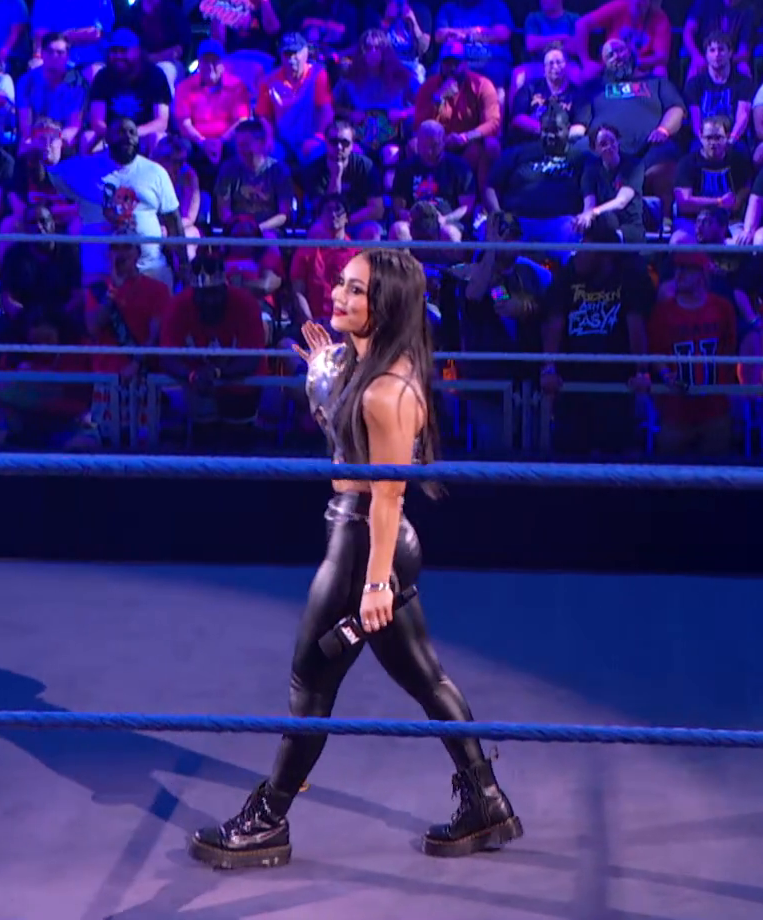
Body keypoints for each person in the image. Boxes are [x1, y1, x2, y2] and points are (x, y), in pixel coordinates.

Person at [191, 248, 522, 870]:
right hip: (367, 537)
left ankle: (267, 821)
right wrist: (324, 377)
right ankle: (487, 801)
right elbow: (348, 441)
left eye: (355, 291)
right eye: (340, 284)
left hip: (365, 541)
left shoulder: (387, 390)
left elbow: (388, 495)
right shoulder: (368, 368)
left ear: (385, 305)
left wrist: (374, 585)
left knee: (310, 683)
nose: (337, 297)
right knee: (424, 677)